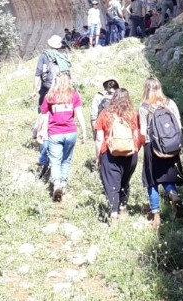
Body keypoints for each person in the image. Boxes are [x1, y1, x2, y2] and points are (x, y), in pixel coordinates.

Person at [139, 76, 183, 228]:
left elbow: (142, 132)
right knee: (168, 177)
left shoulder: (144, 107)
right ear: (160, 88)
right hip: (170, 147)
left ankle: (156, 215)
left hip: (153, 148)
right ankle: (173, 194)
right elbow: (178, 125)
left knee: (152, 181)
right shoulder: (170, 103)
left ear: (146, 89)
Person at [95, 88, 141, 222]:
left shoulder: (105, 114)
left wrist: (98, 156)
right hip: (130, 155)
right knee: (124, 182)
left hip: (110, 155)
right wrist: (136, 150)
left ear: (113, 98)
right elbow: (137, 135)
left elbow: (99, 138)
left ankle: (113, 214)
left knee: (112, 184)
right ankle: (123, 208)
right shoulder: (133, 114)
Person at [39, 71, 86, 201]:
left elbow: (42, 115)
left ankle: (57, 184)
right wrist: (84, 131)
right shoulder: (74, 96)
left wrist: (40, 131)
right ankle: (63, 185)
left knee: (55, 160)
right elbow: (79, 114)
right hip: (71, 132)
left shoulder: (50, 96)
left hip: (55, 133)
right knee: (66, 159)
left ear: (56, 81)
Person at [33, 34, 71, 107]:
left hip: (46, 87)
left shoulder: (44, 55)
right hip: (61, 87)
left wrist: (34, 91)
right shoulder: (62, 57)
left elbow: (38, 74)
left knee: (42, 108)